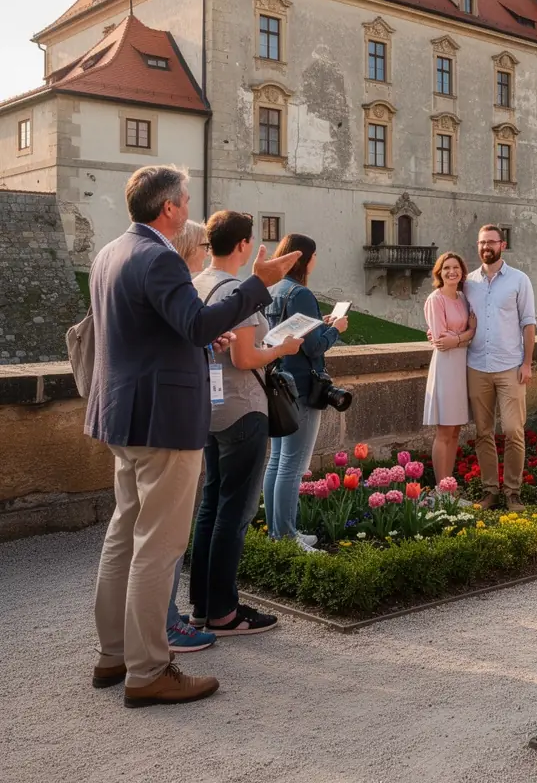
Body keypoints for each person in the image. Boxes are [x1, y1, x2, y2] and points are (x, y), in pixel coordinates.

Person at [88, 165, 299, 708]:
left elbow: (158, 331)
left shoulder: (111, 252)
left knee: (123, 535)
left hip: (123, 414)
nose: (188, 208)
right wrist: (261, 282)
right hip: (162, 420)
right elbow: (197, 325)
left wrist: (203, 337)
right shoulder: (159, 257)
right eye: (184, 200)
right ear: (170, 210)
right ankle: (149, 669)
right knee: (158, 546)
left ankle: (114, 654)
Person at [190, 211, 302, 635]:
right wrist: (283, 347)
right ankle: (223, 612)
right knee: (234, 514)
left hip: (210, 410)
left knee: (210, 507)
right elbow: (245, 357)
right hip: (242, 408)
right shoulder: (237, 289)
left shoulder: (200, 282)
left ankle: (202, 605)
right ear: (242, 246)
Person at [263, 233, 348, 549]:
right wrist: (335, 330)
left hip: (278, 384)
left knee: (276, 461)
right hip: (301, 387)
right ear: (306, 259)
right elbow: (313, 348)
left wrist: (321, 323)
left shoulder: (274, 290)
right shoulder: (300, 293)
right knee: (293, 465)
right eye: (314, 256)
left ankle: (276, 532)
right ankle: (286, 535)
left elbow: (286, 334)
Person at [165, 219, 218, 654]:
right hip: (170, 422)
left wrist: (205, 343)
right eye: (203, 245)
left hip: (159, 420)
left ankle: (164, 618)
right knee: (166, 536)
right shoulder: (176, 283)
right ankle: (165, 627)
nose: (207, 251)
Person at [462, 225, 536, 512]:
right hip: (477, 366)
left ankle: (513, 493)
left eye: (491, 242)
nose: (486, 247)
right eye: (481, 242)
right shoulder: (469, 283)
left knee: (514, 430)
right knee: (483, 432)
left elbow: (528, 323)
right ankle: (490, 491)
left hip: (510, 366)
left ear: (502, 245)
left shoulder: (519, 280)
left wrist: (527, 363)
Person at [423, 252, 476, 483]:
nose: (451, 272)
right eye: (446, 268)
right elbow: (440, 340)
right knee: (444, 430)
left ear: (462, 272)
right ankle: (440, 488)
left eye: (456, 267)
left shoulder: (463, 298)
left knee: (455, 430)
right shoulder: (436, 299)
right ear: (439, 273)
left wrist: (458, 338)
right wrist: (469, 334)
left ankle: (449, 485)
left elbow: (450, 337)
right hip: (445, 368)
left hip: (461, 366)